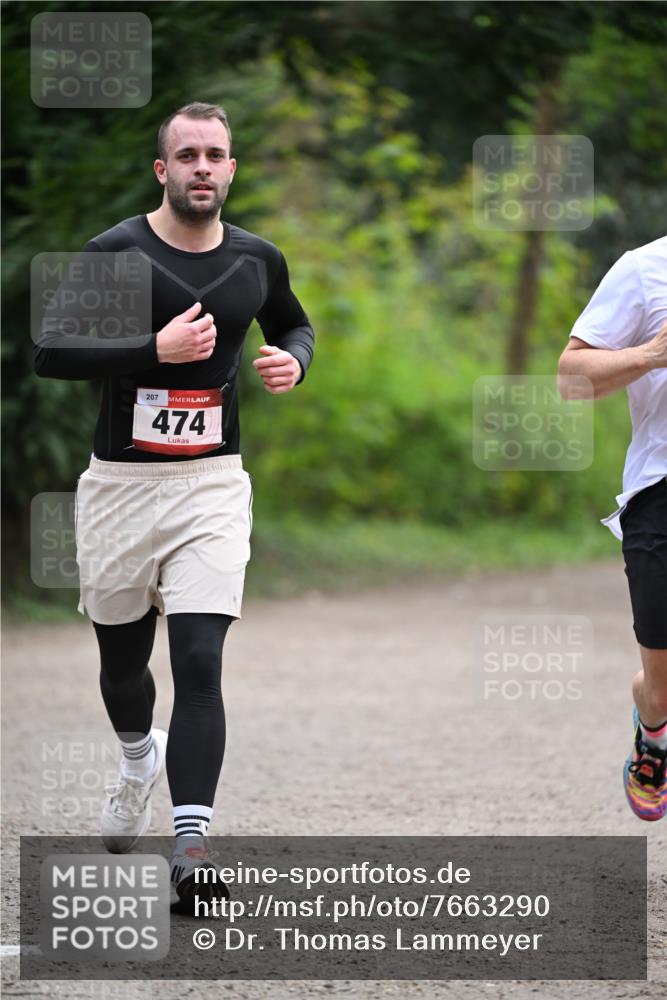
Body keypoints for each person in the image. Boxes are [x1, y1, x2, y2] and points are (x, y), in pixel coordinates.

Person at [33, 102, 315, 906]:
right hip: (121, 488)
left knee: (198, 661)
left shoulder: (258, 258)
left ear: (231, 169)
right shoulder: (116, 254)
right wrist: (149, 348)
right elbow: (52, 351)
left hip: (210, 485)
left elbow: (293, 325)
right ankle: (136, 760)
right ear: (163, 169)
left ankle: (190, 851)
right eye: (187, 155)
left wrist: (293, 361)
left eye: (214, 155)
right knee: (124, 668)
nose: (201, 168)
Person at [558, 235, 667, 821]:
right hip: (661, 491)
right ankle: (653, 726)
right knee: (663, 687)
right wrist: (650, 354)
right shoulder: (646, 269)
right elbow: (571, 377)